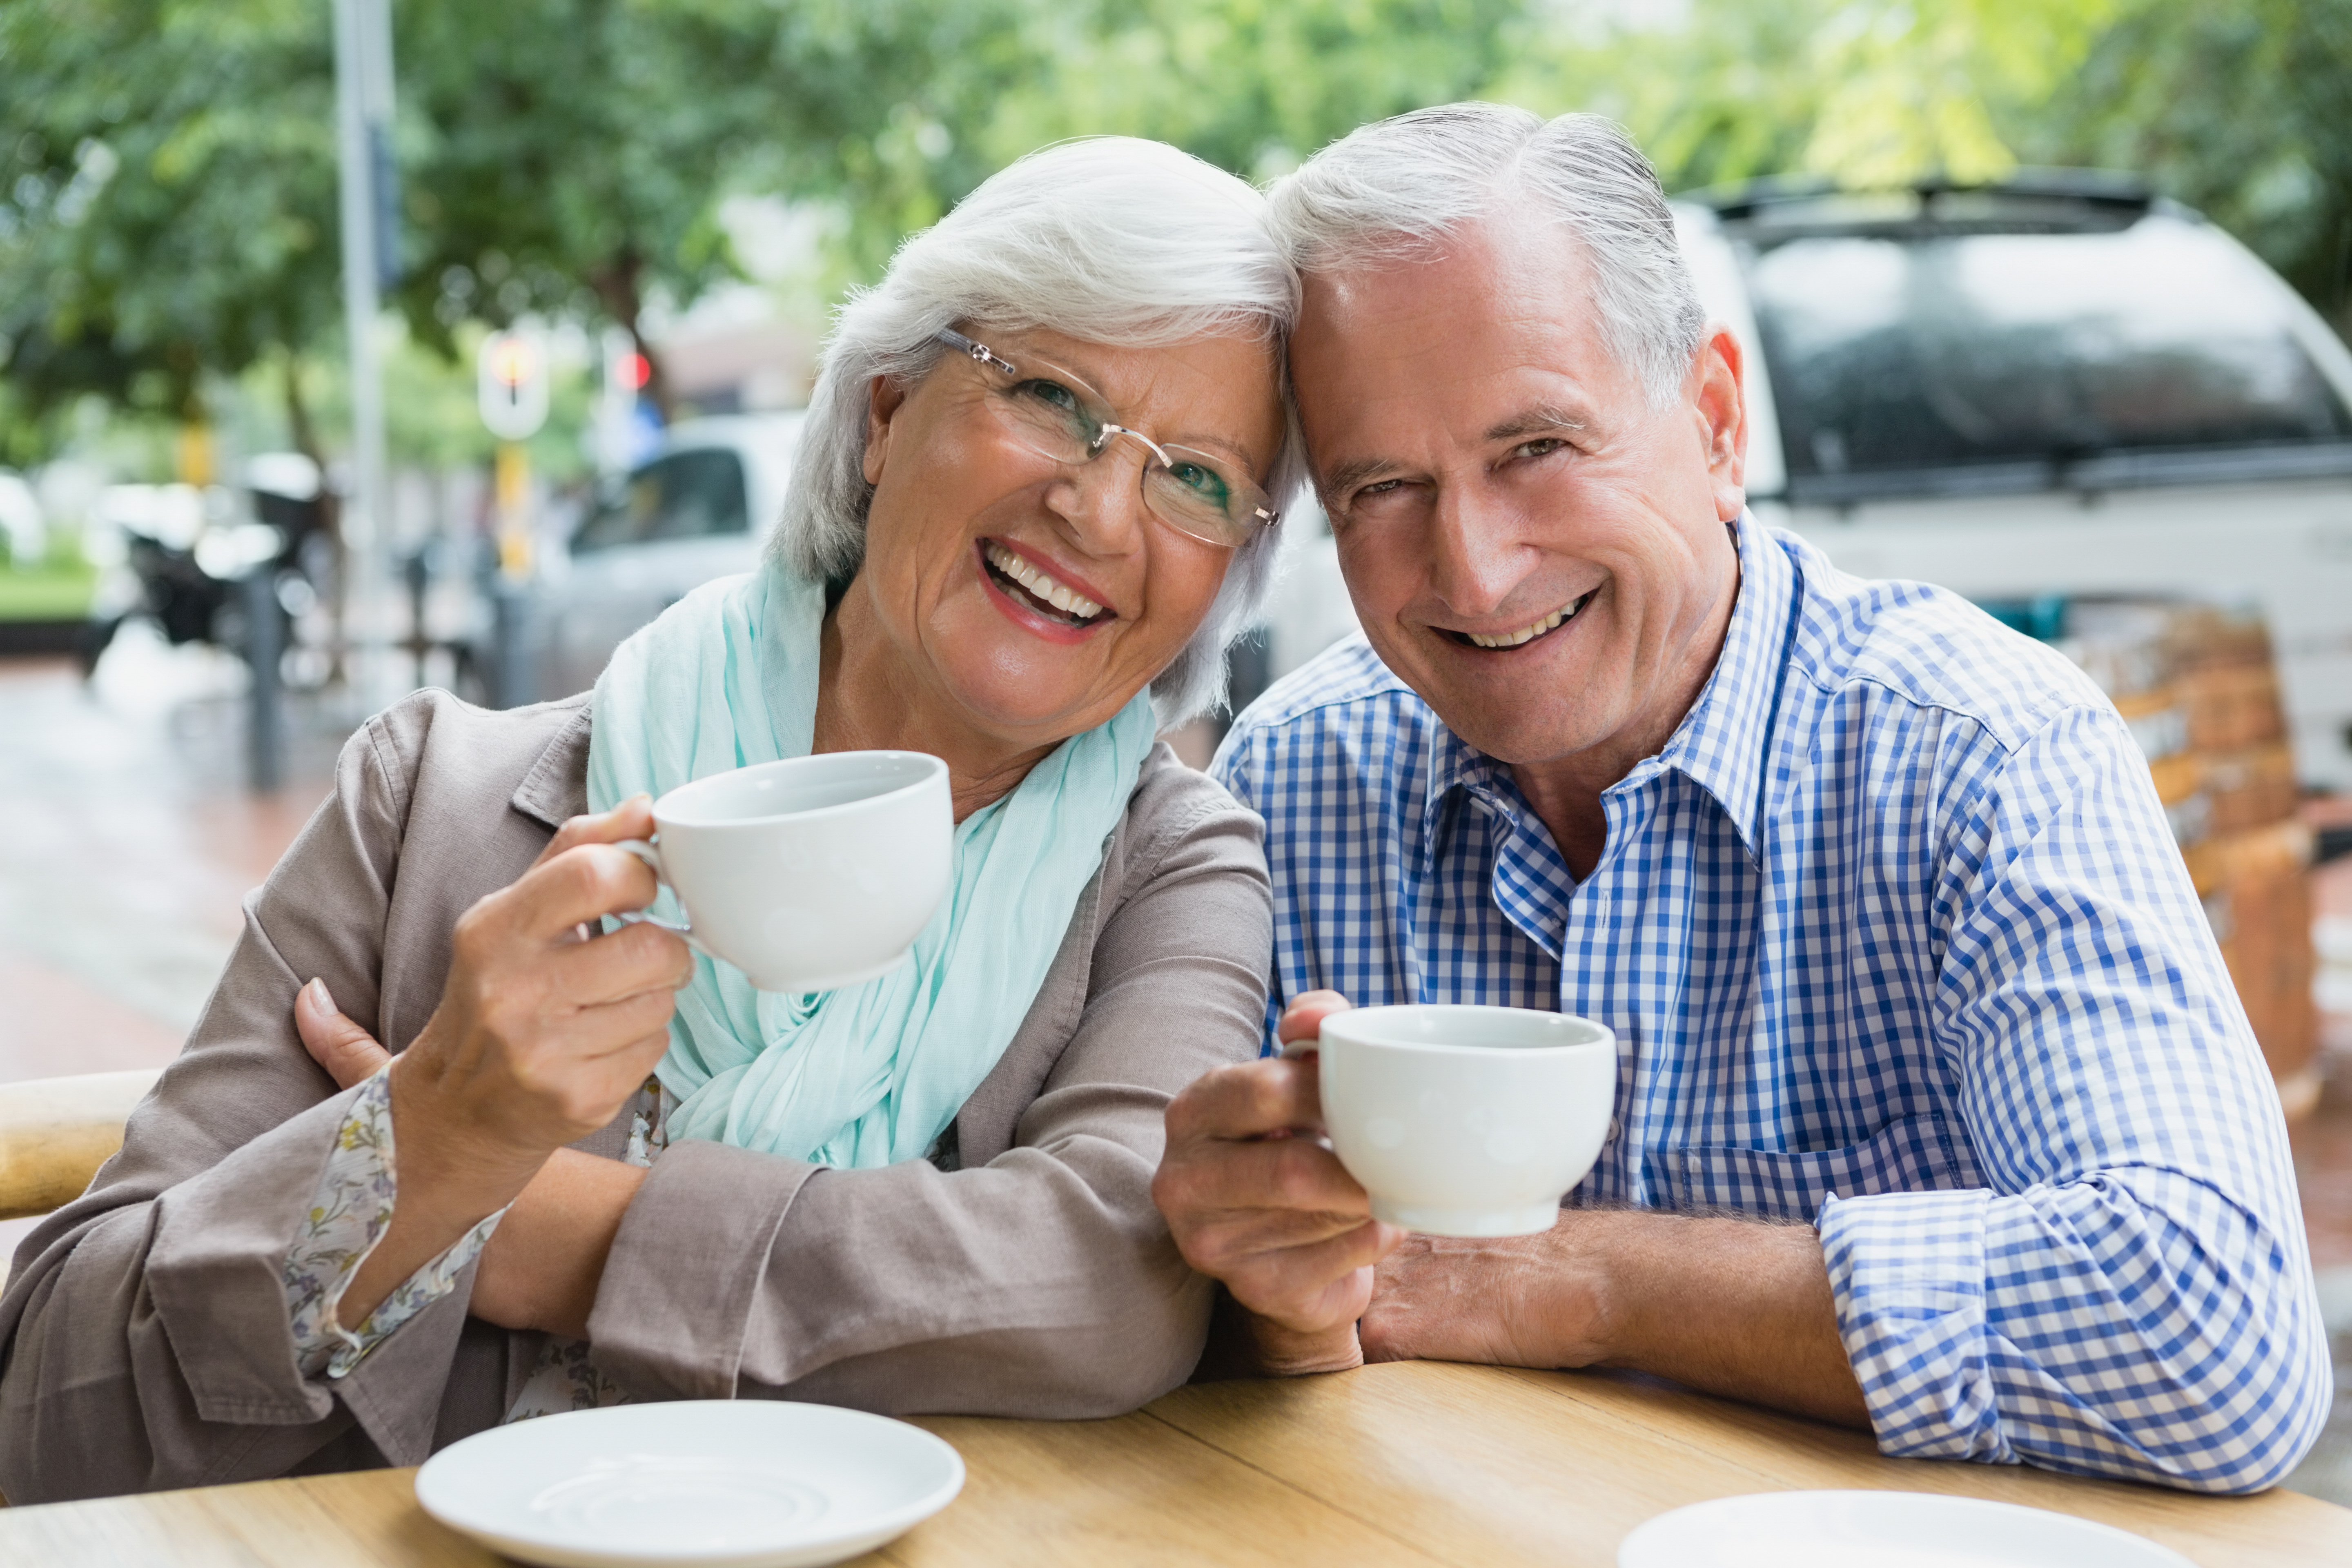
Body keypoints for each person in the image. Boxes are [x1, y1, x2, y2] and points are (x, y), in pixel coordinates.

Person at [0, 136, 1303, 1502]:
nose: (1099, 508)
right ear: (882, 411)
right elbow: (48, 1407)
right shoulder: (427, 803)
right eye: (1051, 396)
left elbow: (1124, 1286)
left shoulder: (1172, 864)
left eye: (1197, 479)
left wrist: (547, 1228)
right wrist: (439, 1137)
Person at [1152, 104, 2328, 1493]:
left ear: (1714, 422)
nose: (1470, 571)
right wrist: (1254, 1273)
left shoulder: (1982, 755)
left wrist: (1578, 1283)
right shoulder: (1295, 778)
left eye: (1535, 448)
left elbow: (2218, 1339)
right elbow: (1226, 1338)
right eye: (1384, 487)